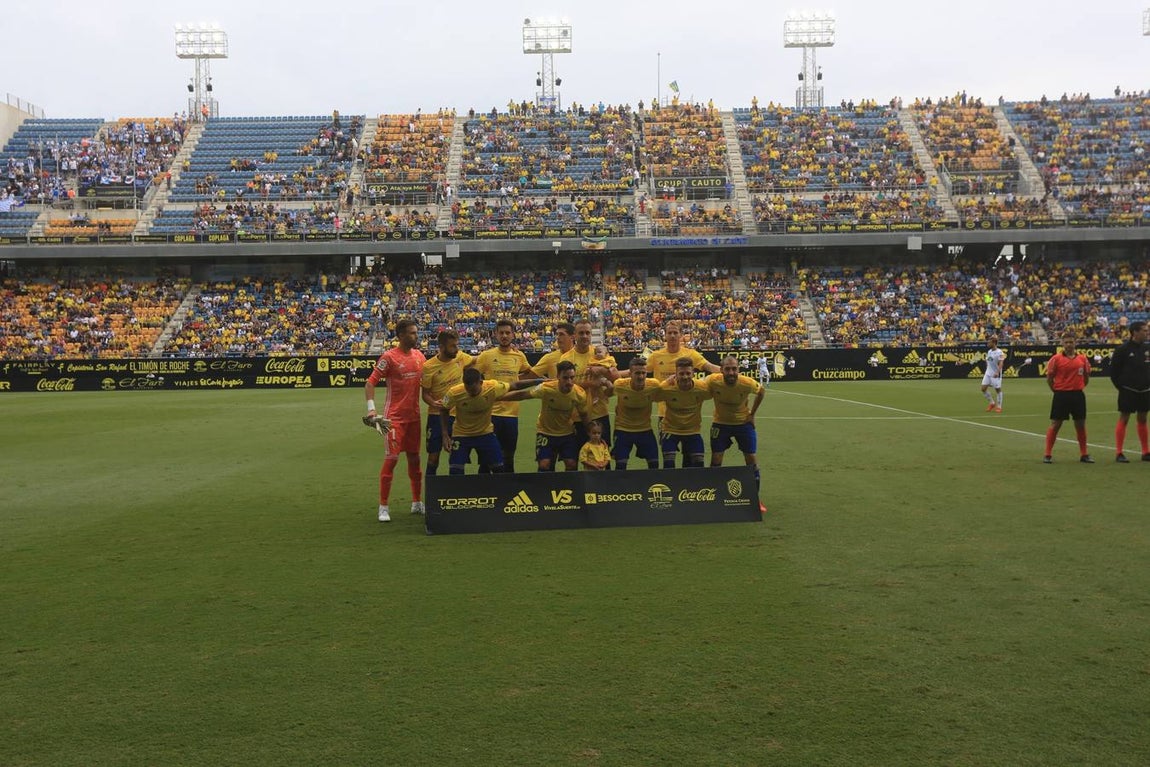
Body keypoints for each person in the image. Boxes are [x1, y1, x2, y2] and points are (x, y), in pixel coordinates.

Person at [364, 318, 427, 522]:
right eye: (412, 333)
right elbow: (370, 383)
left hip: (414, 419)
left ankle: (417, 502)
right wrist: (372, 411)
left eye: (416, 332)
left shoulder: (419, 356)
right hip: (394, 420)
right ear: (400, 335)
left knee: (415, 461)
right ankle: (383, 506)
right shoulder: (389, 357)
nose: (415, 336)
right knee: (391, 461)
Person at [440, 368, 541, 474]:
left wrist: (538, 381)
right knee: (455, 471)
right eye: (468, 389)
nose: (471, 393)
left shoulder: (492, 387)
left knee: (499, 468)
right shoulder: (454, 392)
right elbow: (443, 409)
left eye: (474, 390)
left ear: (480, 383)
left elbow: (514, 385)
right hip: (461, 435)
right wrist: (445, 434)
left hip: (485, 433)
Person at [501, 360, 591, 472]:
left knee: (571, 464)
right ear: (558, 376)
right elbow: (524, 395)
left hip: (567, 433)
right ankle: (544, 489)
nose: (569, 382)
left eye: (572, 378)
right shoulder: (546, 388)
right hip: (545, 432)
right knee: (544, 465)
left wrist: (591, 433)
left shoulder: (579, 394)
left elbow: (584, 415)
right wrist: (499, 397)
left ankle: (569, 488)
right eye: (565, 378)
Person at [706, 356, 767, 512]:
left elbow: (761, 391)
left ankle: (755, 498)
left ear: (738, 370)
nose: (731, 372)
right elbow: (696, 386)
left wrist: (752, 414)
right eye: (728, 369)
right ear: (721, 370)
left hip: (743, 424)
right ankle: (713, 497)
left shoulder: (746, 382)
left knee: (751, 459)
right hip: (720, 423)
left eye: (734, 369)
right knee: (716, 459)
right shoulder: (713, 380)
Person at [473, 319, 535, 472]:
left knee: (508, 457)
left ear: (513, 335)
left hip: (511, 415)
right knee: (487, 459)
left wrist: (518, 382)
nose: (504, 336)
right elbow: (473, 377)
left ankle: (507, 492)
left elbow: (529, 372)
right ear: (495, 335)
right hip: (489, 414)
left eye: (508, 333)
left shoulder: (519, 356)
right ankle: (487, 494)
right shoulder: (486, 356)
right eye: (501, 333)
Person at [419, 329, 473, 476]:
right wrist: (433, 403)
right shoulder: (429, 367)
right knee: (433, 458)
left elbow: (479, 360)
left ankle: (454, 492)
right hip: (436, 416)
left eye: (457, 345)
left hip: (458, 416)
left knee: (457, 457)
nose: (457, 349)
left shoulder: (461, 357)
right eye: (453, 346)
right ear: (442, 347)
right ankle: (432, 493)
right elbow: (425, 394)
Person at [560, 319, 618, 452]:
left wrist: (603, 371)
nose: (585, 336)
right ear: (574, 335)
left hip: (599, 415)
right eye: (581, 333)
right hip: (576, 416)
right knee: (573, 460)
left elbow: (615, 378)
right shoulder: (566, 358)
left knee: (603, 458)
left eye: (587, 333)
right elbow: (564, 386)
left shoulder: (600, 354)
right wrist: (591, 383)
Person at [651, 357, 713, 468]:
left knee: (699, 463)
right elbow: (652, 397)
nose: (685, 377)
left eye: (688, 373)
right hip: (671, 430)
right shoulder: (667, 388)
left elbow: (718, 393)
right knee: (669, 464)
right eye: (681, 373)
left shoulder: (702, 388)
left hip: (693, 431)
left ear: (693, 373)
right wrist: (664, 383)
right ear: (676, 374)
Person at [1043, 334, 1093, 464]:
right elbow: (1049, 378)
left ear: (1075, 343)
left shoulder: (1082, 358)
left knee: (1080, 424)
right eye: (1066, 342)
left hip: (1078, 395)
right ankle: (1047, 454)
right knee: (1056, 424)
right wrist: (1056, 390)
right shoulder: (1056, 359)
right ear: (1062, 344)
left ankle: (1084, 454)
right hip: (1061, 395)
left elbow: (1087, 376)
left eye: (1071, 342)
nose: (1069, 344)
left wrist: (1080, 386)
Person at [608, 357, 662, 470]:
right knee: (620, 465)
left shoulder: (654, 385)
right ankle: (619, 487)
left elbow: (666, 388)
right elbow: (606, 392)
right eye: (637, 373)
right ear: (630, 374)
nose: (641, 376)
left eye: (643, 373)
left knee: (654, 464)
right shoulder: (620, 385)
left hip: (645, 429)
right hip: (623, 430)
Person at [1109, 320, 1150, 462]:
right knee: (1124, 418)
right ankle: (1119, 452)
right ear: (1135, 333)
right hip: (1128, 390)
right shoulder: (1122, 350)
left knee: (1143, 418)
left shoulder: (1147, 348)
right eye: (1144, 330)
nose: (1147, 332)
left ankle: (1146, 452)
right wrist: (1122, 387)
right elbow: (1114, 373)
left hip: (1145, 390)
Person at [980, 335, 1006, 412]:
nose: (988, 343)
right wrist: (987, 368)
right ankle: (992, 403)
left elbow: (1001, 363)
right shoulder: (989, 351)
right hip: (988, 373)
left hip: (996, 374)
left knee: (998, 390)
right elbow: (988, 360)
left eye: (989, 342)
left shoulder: (1000, 352)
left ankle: (999, 407)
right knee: (983, 389)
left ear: (994, 343)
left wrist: (997, 372)